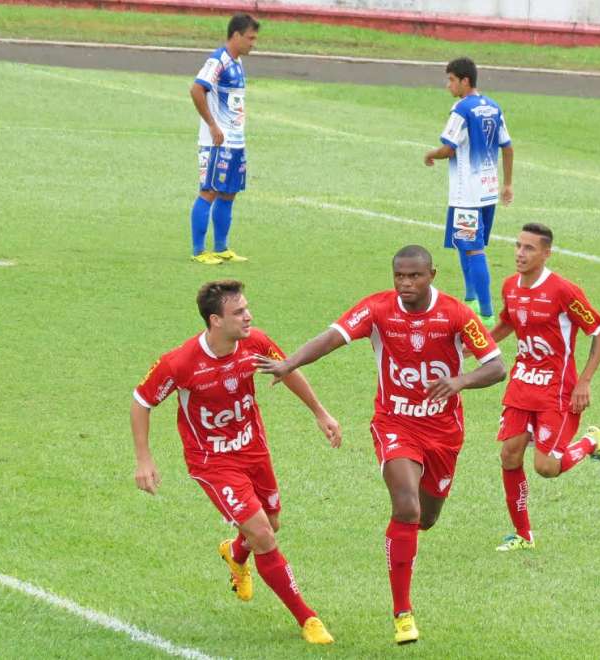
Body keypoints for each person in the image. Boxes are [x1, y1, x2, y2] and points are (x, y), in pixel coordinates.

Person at [255, 245, 506, 645]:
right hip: (394, 423)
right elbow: (332, 337)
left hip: (443, 433)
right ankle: (402, 614)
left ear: (432, 275)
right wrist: (291, 363)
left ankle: (407, 546)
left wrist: (459, 382)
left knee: (425, 518)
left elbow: (496, 366)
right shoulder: (377, 308)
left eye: (415, 276)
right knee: (405, 506)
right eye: (400, 276)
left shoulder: (456, 314)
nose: (406, 284)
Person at [131, 280, 340, 645]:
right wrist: (144, 459)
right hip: (213, 461)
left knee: (271, 523)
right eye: (239, 312)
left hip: (253, 448)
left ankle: (234, 552)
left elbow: (286, 369)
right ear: (215, 320)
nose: (249, 316)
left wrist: (320, 413)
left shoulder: (254, 342)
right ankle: (307, 618)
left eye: (247, 308)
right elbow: (141, 401)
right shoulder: (180, 363)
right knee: (262, 533)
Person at [488, 223, 600, 552]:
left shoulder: (563, 291)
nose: (520, 253)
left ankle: (590, 442)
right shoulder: (510, 287)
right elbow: (506, 324)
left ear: (546, 254)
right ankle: (523, 535)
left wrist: (583, 381)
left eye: (529, 248)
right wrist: (471, 348)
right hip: (521, 382)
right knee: (509, 455)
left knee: (546, 468)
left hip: (557, 389)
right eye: (518, 245)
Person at [424, 57, 514, 327]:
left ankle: (485, 313)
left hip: (468, 195)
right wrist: (507, 184)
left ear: (465, 81)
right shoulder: (493, 107)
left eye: (451, 79)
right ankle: (471, 299)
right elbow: (507, 147)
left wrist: (430, 154)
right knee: (467, 246)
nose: (448, 85)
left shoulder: (462, 109)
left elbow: (449, 148)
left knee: (473, 250)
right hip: (487, 191)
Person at [188, 13, 258, 265]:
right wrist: (212, 125)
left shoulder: (236, 62)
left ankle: (220, 247)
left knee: (228, 193)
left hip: (235, 142)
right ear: (236, 35)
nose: (253, 43)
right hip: (216, 141)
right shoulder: (217, 61)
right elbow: (196, 89)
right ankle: (198, 251)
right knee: (208, 191)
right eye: (250, 38)